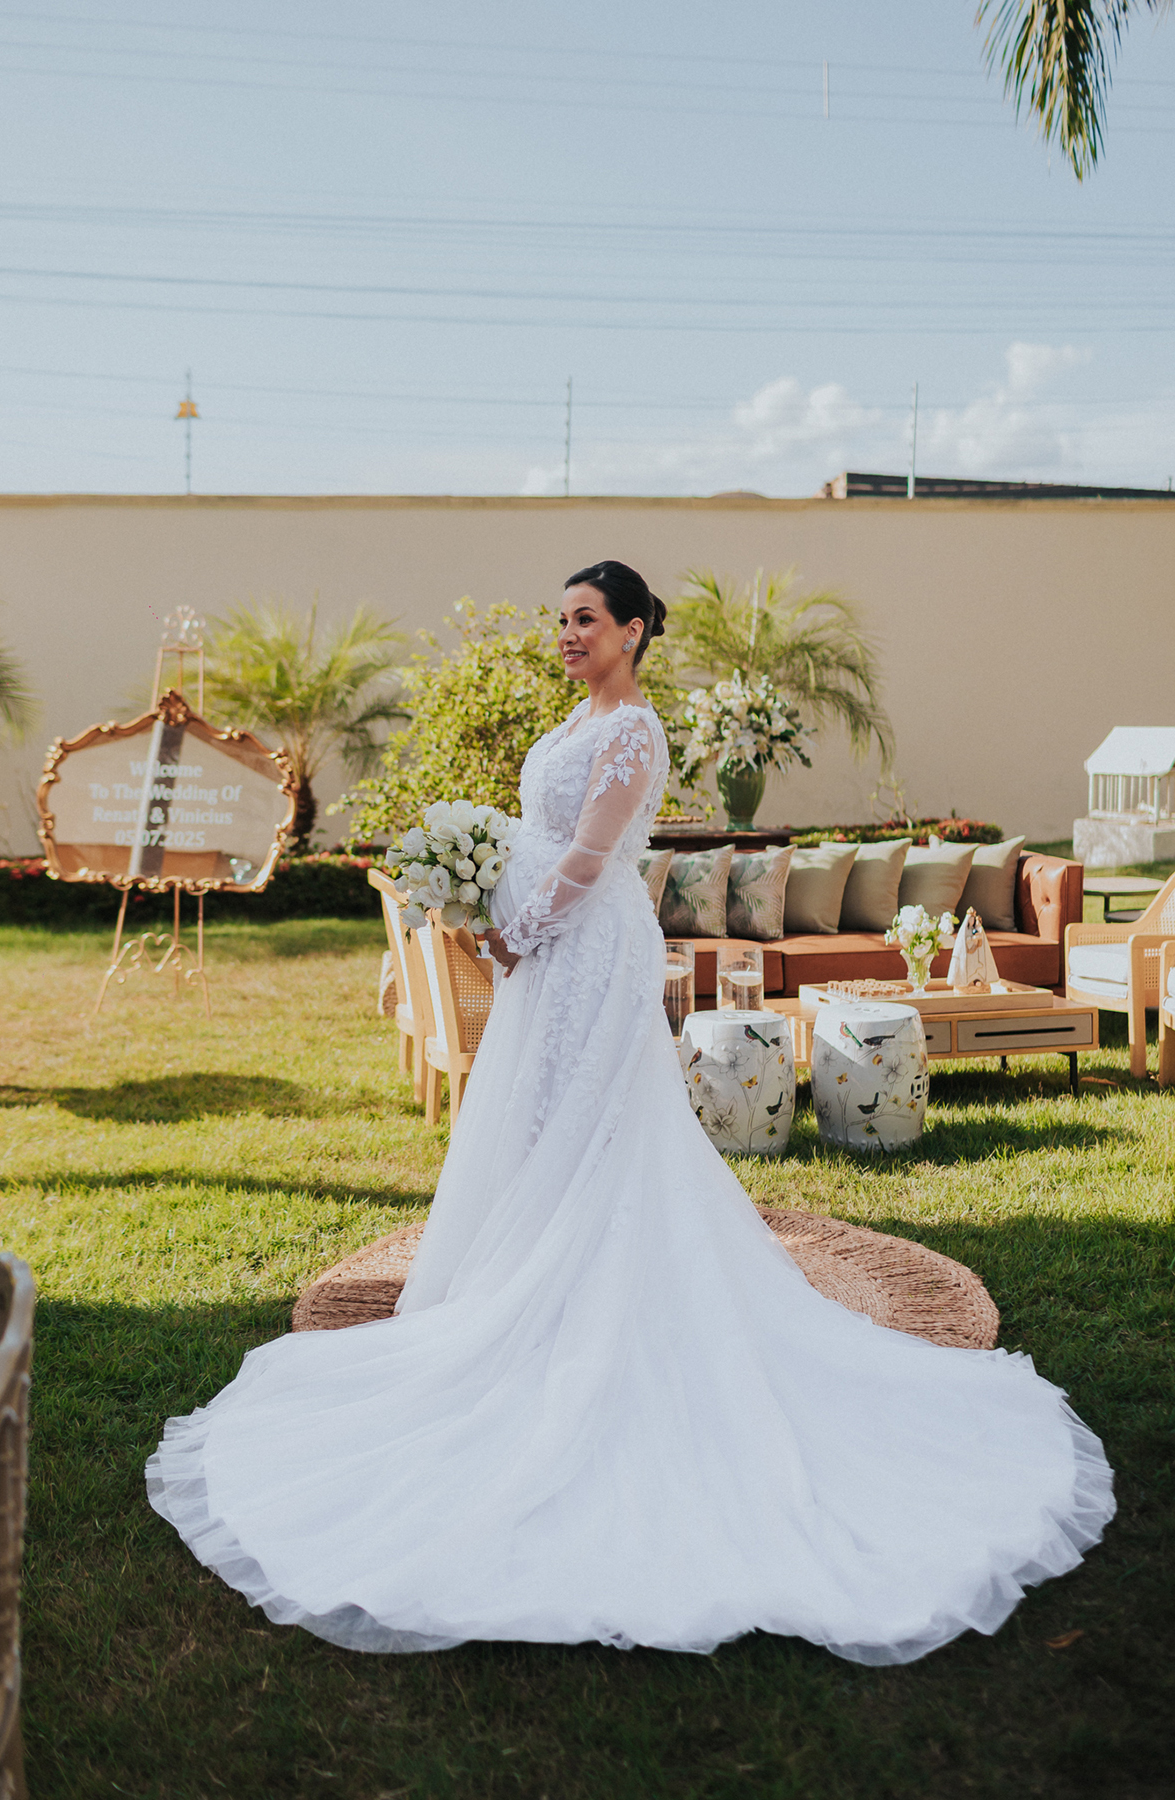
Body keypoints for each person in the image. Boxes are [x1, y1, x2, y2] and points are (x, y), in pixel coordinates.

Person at [147, 558, 1114, 1664]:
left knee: (601, 1131)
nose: (567, 634)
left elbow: (593, 862)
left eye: (587, 620)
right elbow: (541, 845)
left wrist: (512, 926)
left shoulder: (635, 736)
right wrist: (479, 879)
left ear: (636, 632)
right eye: (561, 619)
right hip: (545, 965)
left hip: (586, 956)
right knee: (538, 1133)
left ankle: (592, 1302)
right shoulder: (574, 719)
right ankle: (523, 1283)